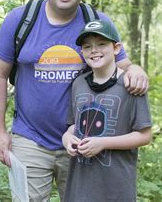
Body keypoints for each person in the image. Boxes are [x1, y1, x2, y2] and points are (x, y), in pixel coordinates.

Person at [0, 0, 149, 201]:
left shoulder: (97, 22)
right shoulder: (20, 20)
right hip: (30, 138)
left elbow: (121, 65)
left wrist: (137, 69)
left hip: (82, 144)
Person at [62, 19, 152, 201]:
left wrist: (103, 143)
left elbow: (145, 135)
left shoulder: (131, 84)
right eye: (87, 47)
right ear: (82, 52)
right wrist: (66, 137)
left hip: (115, 186)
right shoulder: (78, 84)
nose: (94, 50)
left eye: (102, 44)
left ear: (116, 48)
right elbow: (74, 126)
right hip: (80, 184)